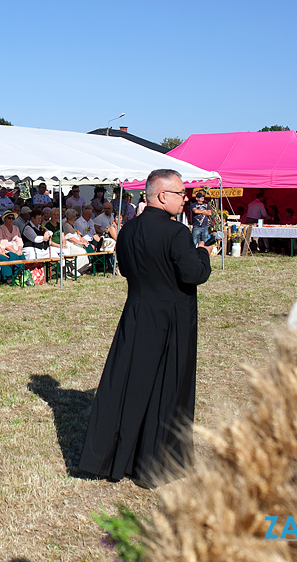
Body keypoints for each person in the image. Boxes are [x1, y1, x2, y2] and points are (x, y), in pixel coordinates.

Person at [79, 168, 212, 488]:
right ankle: (153, 466)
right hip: (171, 320)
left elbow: (125, 269)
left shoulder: (126, 231)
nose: (186, 199)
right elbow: (194, 274)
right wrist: (203, 254)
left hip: (136, 315)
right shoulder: (176, 233)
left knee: (132, 386)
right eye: (181, 193)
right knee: (165, 390)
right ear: (162, 195)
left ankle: (118, 458)